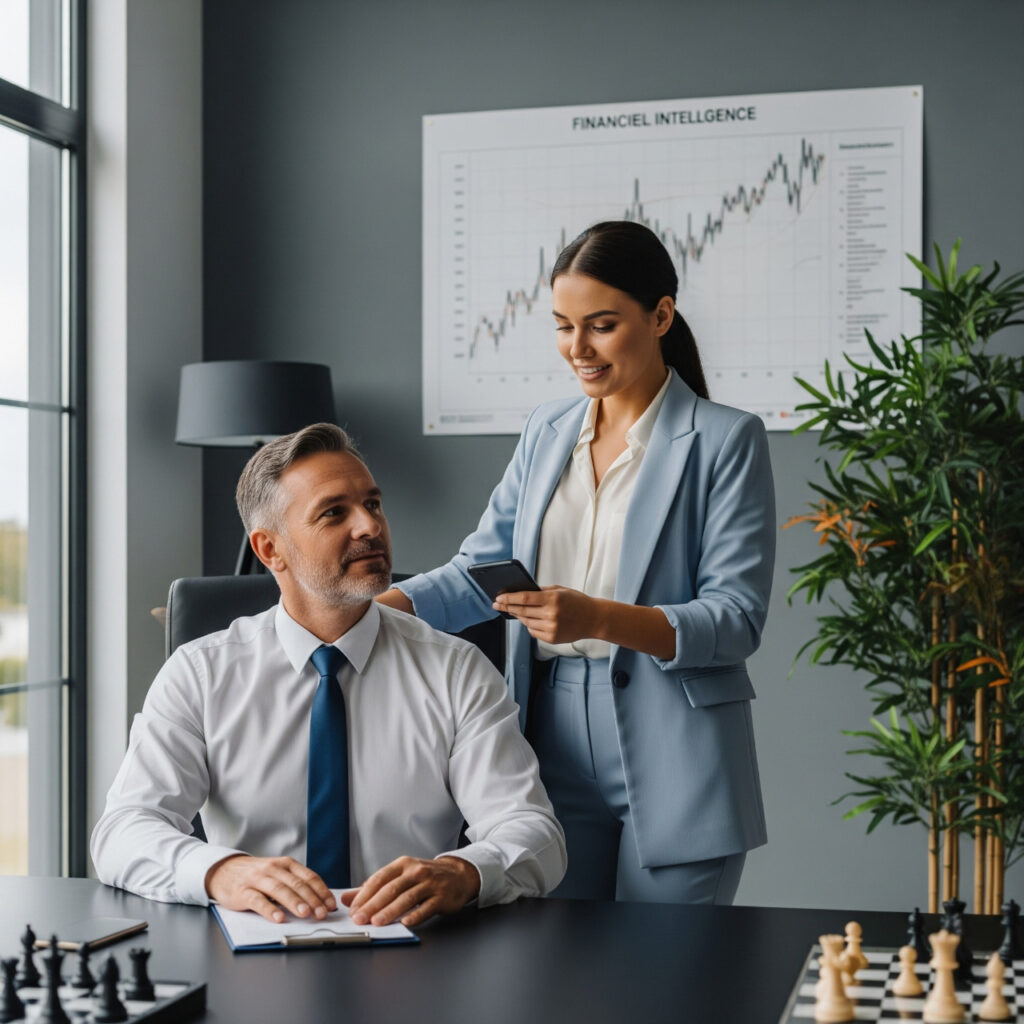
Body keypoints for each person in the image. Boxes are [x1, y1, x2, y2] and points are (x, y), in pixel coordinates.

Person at [379, 221, 775, 905]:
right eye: (563, 326)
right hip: (546, 733)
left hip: (678, 742)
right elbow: (482, 570)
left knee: (660, 985)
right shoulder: (547, 429)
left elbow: (735, 621)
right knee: (557, 972)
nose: (577, 349)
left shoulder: (725, 440)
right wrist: (374, 611)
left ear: (660, 316)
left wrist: (597, 617)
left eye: (600, 325)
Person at [91, 424, 566, 927]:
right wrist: (221, 872)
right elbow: (123, 830)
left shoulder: (455, 670)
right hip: (252, 963)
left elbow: (534, 832)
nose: (369, 526)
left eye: (374, 504)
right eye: (334, 512)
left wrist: (464, 872)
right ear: (270, 550)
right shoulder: (200, 673)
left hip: (416, 958)